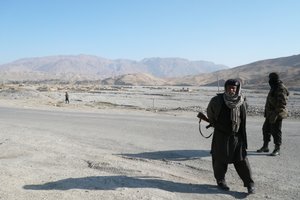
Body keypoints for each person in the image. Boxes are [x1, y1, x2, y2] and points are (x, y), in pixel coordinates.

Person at [207, 79, 255, 194]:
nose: (231, 90)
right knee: (219, 159)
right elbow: (210, 114)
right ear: (225, 88)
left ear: (237, 89)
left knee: (242, 160)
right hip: (221, 135)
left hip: (236, 135)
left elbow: (243, 118)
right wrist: (217, 125)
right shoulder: (217, 100)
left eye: (234, 88)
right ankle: (221, 181)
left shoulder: (242, 101)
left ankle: (250, 184)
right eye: (229, 87)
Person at [257, 72, 289, 156]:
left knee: (276, 131)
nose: (269, 80)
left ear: (274, 79)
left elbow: (282, 103)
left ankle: (277, 148)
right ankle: (265, 147)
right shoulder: (274, 87)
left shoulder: (280, 88)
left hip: (277, 114)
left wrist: (275, 114)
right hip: (270, 114)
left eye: (270, 79)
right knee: (266, 129)